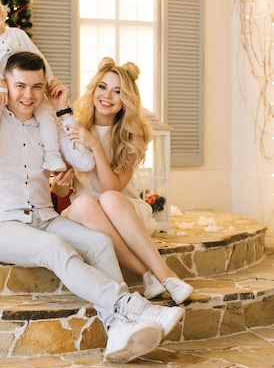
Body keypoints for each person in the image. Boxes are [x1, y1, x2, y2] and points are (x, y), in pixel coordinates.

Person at [0, 51, 185, 363]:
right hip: (0, 226)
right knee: (54, 248)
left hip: (43, 217)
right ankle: (133, 308)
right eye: (20, 86)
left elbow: (84, 160)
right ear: (5, 83)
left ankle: (117, 331)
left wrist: (63, 110)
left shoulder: (47, 121)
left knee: (99, 242)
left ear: (44, 87)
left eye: (36, 87)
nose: (28, 96)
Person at [52, 57, 194, 305]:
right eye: (103, 87)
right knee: (85, 202)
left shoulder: (130, 134)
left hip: (121, 210)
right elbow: (58, 188)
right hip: (86, 213)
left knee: (107, 199)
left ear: (126, 100)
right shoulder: (72, 126)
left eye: (118, 92)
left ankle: (163, 274)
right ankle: (147, 274)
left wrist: (95, 146)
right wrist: (61, 184)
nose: (107, 96)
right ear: (94, 88)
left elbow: (111, 188)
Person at [0, 0, 67, 172]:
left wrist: (49, 80)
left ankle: (52, 153)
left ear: (3, 14)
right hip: (0, 85)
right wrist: (1, 89)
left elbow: (38, 57)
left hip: (26, 84)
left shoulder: (17, 35)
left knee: (45, 113)